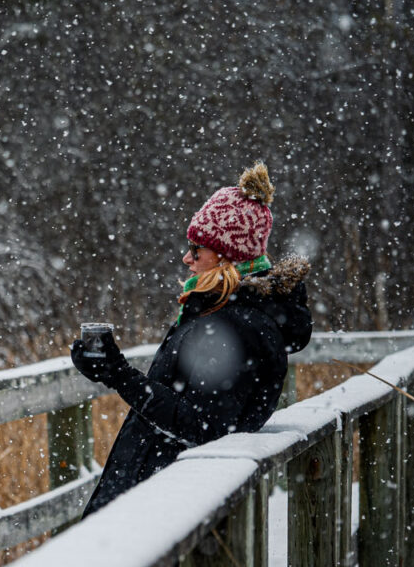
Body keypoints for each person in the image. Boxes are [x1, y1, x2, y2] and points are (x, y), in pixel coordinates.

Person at [71, 161, 312, 517]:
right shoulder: (220, 314)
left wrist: (118, 374)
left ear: (228, 256)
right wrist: (109, 370)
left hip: (168, 508)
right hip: (164, 497)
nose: (187, 258)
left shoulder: (236, 327)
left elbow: (202, 426)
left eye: (197, 249)